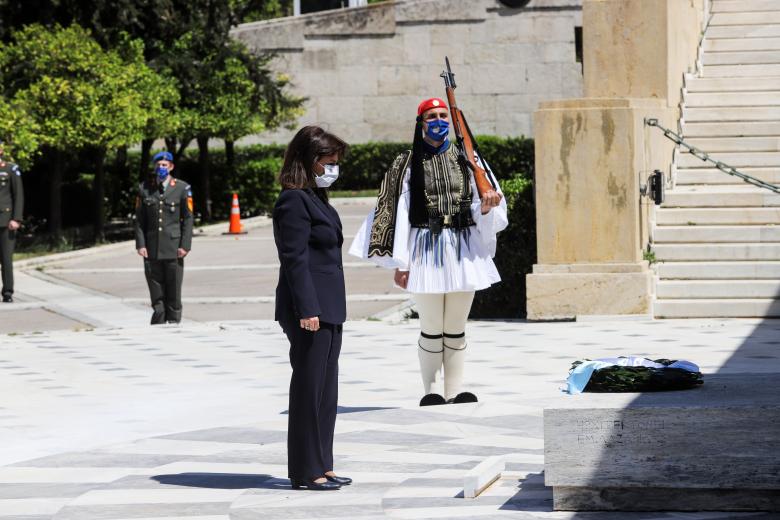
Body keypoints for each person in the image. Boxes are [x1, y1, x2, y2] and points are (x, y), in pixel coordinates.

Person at [350, 97, 507, 406]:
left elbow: (485, 201)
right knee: (432, 327)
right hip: (424, 248)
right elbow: (397, 211)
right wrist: (401, 261)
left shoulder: (469, 159)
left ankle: (455, 390)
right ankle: (431, 391)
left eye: (443, 115)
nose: (439, 121)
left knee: (456, 327)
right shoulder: (406, 163)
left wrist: (488, 207)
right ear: (421, 123)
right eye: (432, 116)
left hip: (462, 248)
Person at [273, 126, 350, 491]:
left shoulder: (317, 198)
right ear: (309, 160)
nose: (333, 168)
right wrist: (307, 308)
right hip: (309, 309)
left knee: (326, 389)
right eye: (329, 162)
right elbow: (294, 259)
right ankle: (305, 469)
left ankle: (324, 462)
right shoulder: (292, 201)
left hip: (329, 307)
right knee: (307, 388)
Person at [134, 151, 193, 324]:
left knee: (173, 292)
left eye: (165, 165)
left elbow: (188, 218)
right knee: (156, 291)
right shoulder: (144, 189)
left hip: (174, 248)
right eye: (159, 165)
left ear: (171, 167)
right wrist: (141, 244)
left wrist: (185, 245)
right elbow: (139, 220)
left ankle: (174, 325)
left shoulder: (182, 188)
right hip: (151, 249)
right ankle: (158, 324)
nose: (162, 168)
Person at [0, 139, 23, 303]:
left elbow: (18, 195)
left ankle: (7, 292)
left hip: (6, 220)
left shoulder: (10, 169)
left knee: (6, 259)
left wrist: (16, 218)